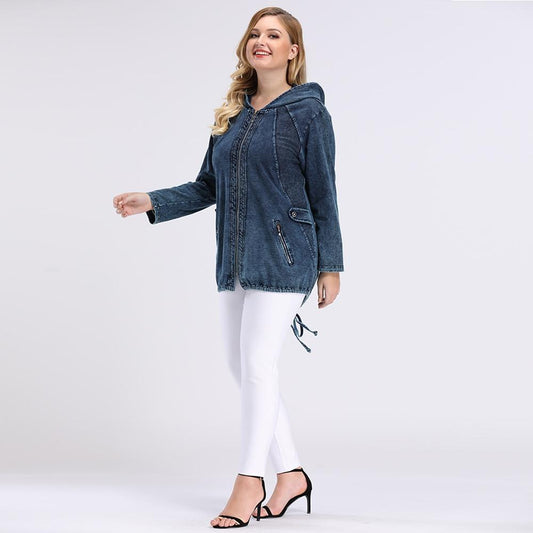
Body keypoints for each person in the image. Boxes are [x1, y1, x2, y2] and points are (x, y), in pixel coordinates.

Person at [112, 6, 343, 529]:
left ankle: (248, 481)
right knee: (243, 368)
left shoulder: (309, 113)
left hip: (286, 255)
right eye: (255, 34)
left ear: (292, 51)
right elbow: (207, 187)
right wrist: (152, 200)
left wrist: (331, 265)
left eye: (274, 35)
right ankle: (292, 475)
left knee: (258, 364)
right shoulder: (234, 115)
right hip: (236, 257)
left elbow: (325, 193)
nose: (262, 41)